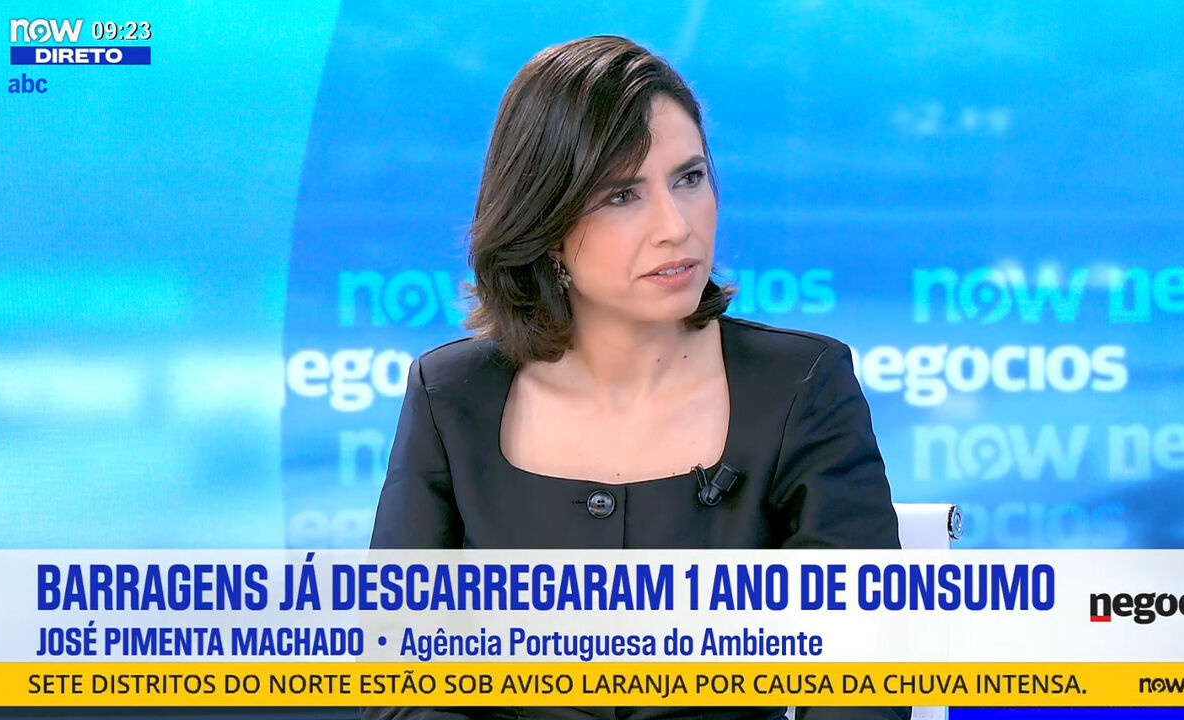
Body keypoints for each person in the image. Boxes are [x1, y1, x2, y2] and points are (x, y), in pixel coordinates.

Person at [367, 35, 907, 720]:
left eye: (689, 178)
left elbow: (862, 684)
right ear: (545, 224)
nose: (675, 227)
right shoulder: (451, 396)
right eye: (622, 195)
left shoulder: (803, 385)